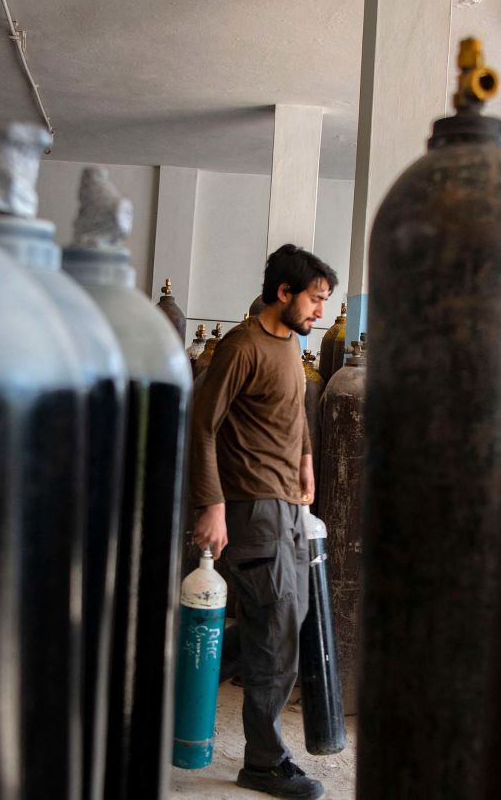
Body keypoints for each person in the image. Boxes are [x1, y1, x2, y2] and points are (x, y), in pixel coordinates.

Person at [189, 244, 336, 799]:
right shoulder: (241, 348)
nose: (321, 311)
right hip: (253, 507)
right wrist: (213, 505)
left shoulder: (290, 346)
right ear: (284, 293)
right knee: (274, 637)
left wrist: (305, 461)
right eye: (315, 300)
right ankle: (264, 761)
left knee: (282, 626)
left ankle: (184, 688)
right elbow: (204, 427)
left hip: (289, 505)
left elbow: (295, 411)